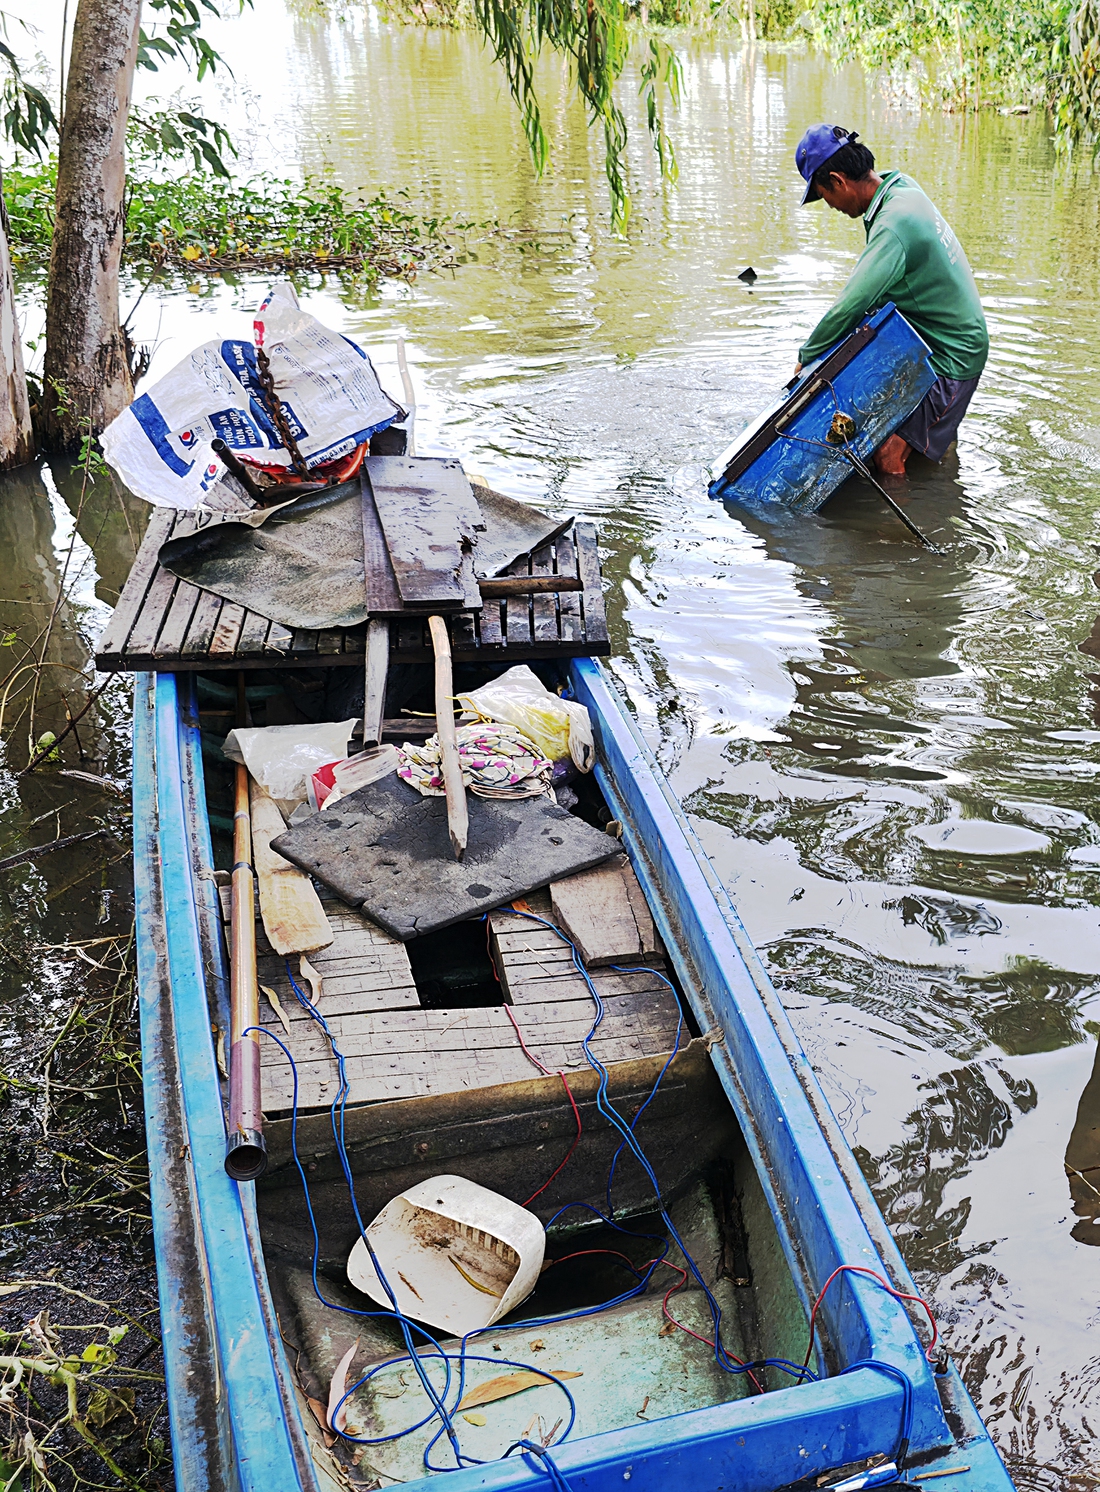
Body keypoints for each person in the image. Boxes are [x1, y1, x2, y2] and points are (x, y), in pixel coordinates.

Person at [793, 124, 988, 478]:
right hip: (937, 338)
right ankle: (940, 463)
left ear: (838, 181)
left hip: (953, 356)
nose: (831, 207)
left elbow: (851, 304)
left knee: (886, 454)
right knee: (917, 438)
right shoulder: (899, 188)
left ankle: (907, 513)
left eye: (824, 196)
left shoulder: (894, 225)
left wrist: (806, 360)